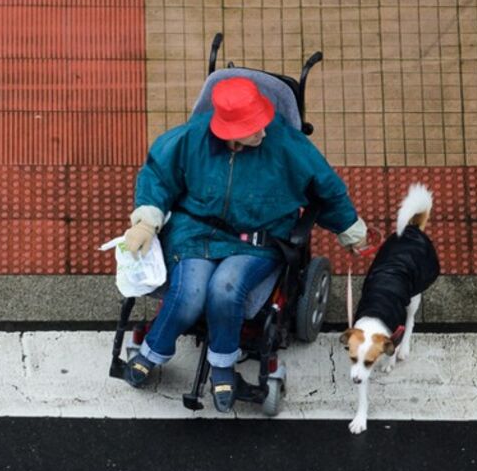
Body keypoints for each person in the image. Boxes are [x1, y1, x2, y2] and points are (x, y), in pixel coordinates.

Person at [121, 76, 367, 412]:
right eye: (253, 129)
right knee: (188, 294)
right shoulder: (190, 138)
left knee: (225, 288)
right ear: (227, 132)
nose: (263, 132)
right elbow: (157, 176)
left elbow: (327, 185)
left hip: (257, 239)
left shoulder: (286, 143)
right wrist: (147, 221)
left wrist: (349, 229)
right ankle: (153, 351)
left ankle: (222, 365)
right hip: (196, 232)